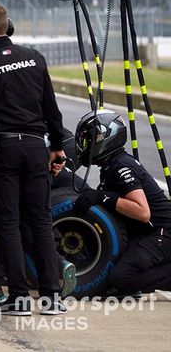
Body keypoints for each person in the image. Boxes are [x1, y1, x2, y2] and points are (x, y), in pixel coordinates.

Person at [0, 3, 67, 316]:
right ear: (8, 26)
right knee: (40, 221)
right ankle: (51, 297)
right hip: (37, 147)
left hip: (3, 152)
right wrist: (58, 147)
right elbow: (51, 107)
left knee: (8, 224)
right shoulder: (35, 58)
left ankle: (20, 298)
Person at [73, 110, 171, 295]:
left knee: (121, 278)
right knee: (107, 271)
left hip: (163, 232)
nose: (86, 146)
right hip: (146, 232)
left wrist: (102, 197)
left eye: (90, 140)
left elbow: (142, 212)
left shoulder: (121, 166)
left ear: (108, 137)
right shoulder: (111, 164)